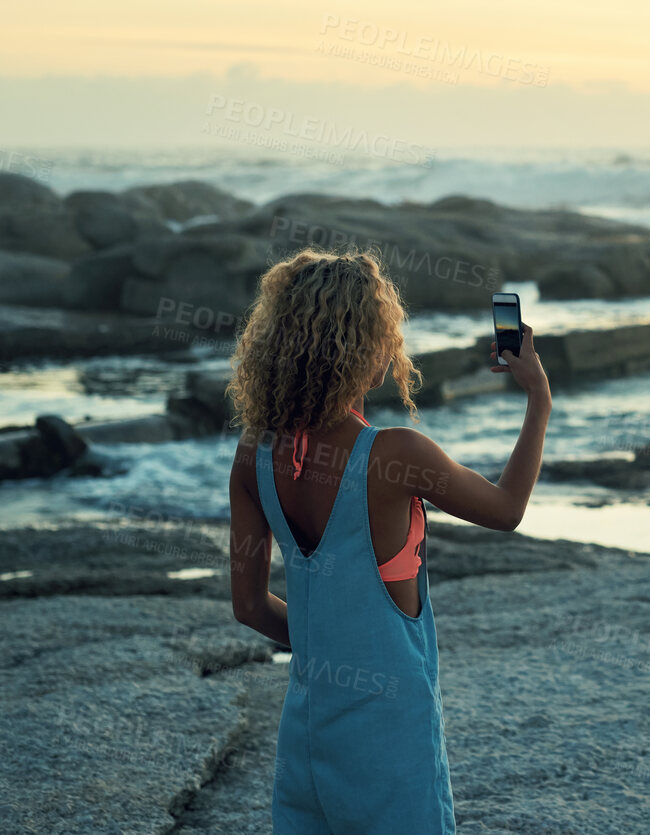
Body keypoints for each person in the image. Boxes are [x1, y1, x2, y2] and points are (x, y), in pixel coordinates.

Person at [226, 249, 551, 834]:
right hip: (389, 737)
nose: (393, 346)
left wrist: (332, 648)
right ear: (358, 347)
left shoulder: (254, 453)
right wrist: (539, 399)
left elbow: (248, 605)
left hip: (306, 734)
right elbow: (507, 510)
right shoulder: (396, 455)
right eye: (385, 333)